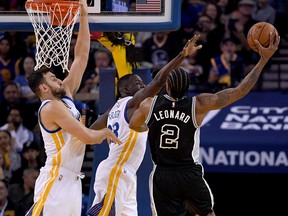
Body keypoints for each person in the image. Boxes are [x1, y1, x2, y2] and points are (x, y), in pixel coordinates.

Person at [129, 32, 280, 216]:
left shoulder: (148, 105)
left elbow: (134, 126)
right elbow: (240, 91)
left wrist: (151, 125)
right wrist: (263, 60)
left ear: (167, 87)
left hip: (163, 175)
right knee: (207, 214)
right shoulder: (199, 104)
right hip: (189, 173)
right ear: (187, 87)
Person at [86, 35, 202, 216]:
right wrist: (181, 56)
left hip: (125, 173)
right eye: (138, 84)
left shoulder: (111, 112)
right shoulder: (132, 103)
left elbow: (89, 132)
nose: (143, 85)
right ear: (125, 89)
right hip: (117, 170)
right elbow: (158, 82)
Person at [24, 1, 121, 215]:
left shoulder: (65, 93)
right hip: (56, 179)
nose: (58, 79)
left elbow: (81, 56)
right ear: (43, 87)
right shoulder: (50, 108)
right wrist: (104, 132)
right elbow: (86, 136)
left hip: (73, 179)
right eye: (52, 78)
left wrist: (83, 17)